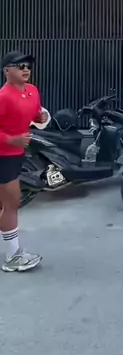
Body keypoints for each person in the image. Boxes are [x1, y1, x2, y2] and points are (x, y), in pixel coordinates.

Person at [0, 51, 47, 272]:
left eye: (27, 66)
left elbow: (35, 114)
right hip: (3, 155)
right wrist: (12, 139)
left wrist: (40, 117)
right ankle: (12, 257)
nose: (25, 69)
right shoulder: (3, 97)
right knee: (11, 204)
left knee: (7, 204)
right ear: (7, 71)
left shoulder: (32, 91)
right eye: (19, 66)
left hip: (18, 154)